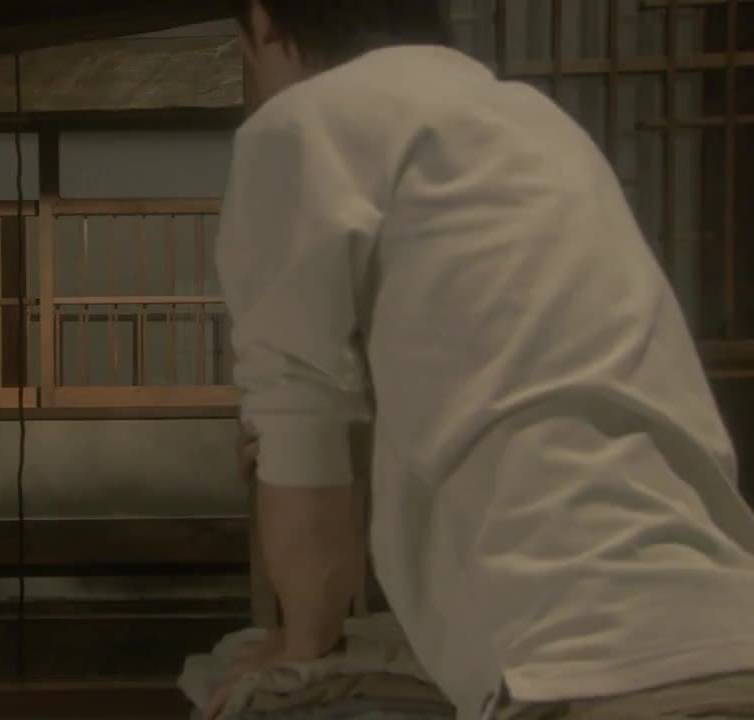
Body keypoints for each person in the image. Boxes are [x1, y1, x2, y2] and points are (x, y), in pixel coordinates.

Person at [211, 1, 754, 719]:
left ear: (264, 23)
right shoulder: (539, 122)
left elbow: (298, 438)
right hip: (728, 621)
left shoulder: (302, 124)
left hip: (571, 659)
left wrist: (299, 642)